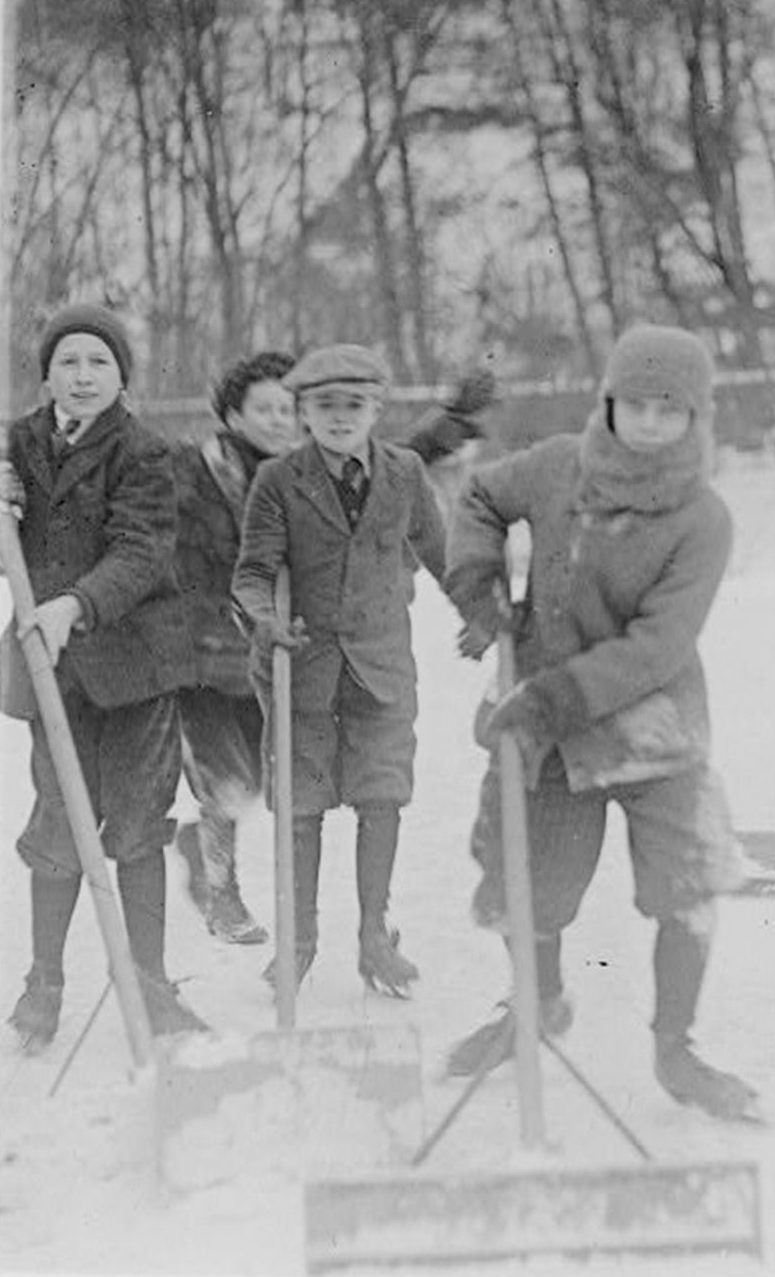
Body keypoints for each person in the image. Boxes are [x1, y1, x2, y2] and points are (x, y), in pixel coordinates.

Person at [440, 325, 760, 1123]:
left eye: (670, 409)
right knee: (525, 883)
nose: (651, 423)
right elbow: (479, 496)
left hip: (649, 720)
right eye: (636, 405)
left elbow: (658, 643)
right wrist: (478, 583)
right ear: (607, 400)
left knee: (683, 881)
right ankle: (536, 1007)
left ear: (696, 417)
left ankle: (675, 1048)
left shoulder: (703, 517)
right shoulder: (557, 467)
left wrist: (551, 698)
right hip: (544, 715)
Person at [171, 353, 496, 945]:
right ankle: (220, 890)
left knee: (269, 783)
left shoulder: (308, 469)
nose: (276, 421)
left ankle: (208, 848)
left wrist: (453, 421)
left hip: (275, 658)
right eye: (262, 409)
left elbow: (397, 464)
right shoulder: (195, 470)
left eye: (284, 409)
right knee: (229, 784)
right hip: (204, 650)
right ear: (232, 415)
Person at [0, 303, 209, 1047]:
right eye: (68, 362)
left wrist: (73, 606)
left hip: (134, 669)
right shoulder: (15, 445)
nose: (82, 376)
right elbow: (11, 554)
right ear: (47, 372)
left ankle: (149, 985)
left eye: (98, 362)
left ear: (121, 375)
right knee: (57, 825)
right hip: (49, 671)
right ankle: (43, 984)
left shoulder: (147, 453)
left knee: (135, 824)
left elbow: (141, 553)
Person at [231, 344, 448, 998]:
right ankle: (299, 940)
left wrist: (485, 611)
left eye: (353, 405)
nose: (339, 417)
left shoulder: (406, 473)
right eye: (324, 405)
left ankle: (374, 935)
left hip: (382, 670)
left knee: (382, 796)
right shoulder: (278, 480)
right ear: (303, 411)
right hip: (304, 671)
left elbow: (445, 556)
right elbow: (252, 574)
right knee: (303, 807)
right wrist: (266, 621)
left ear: (377, 408)